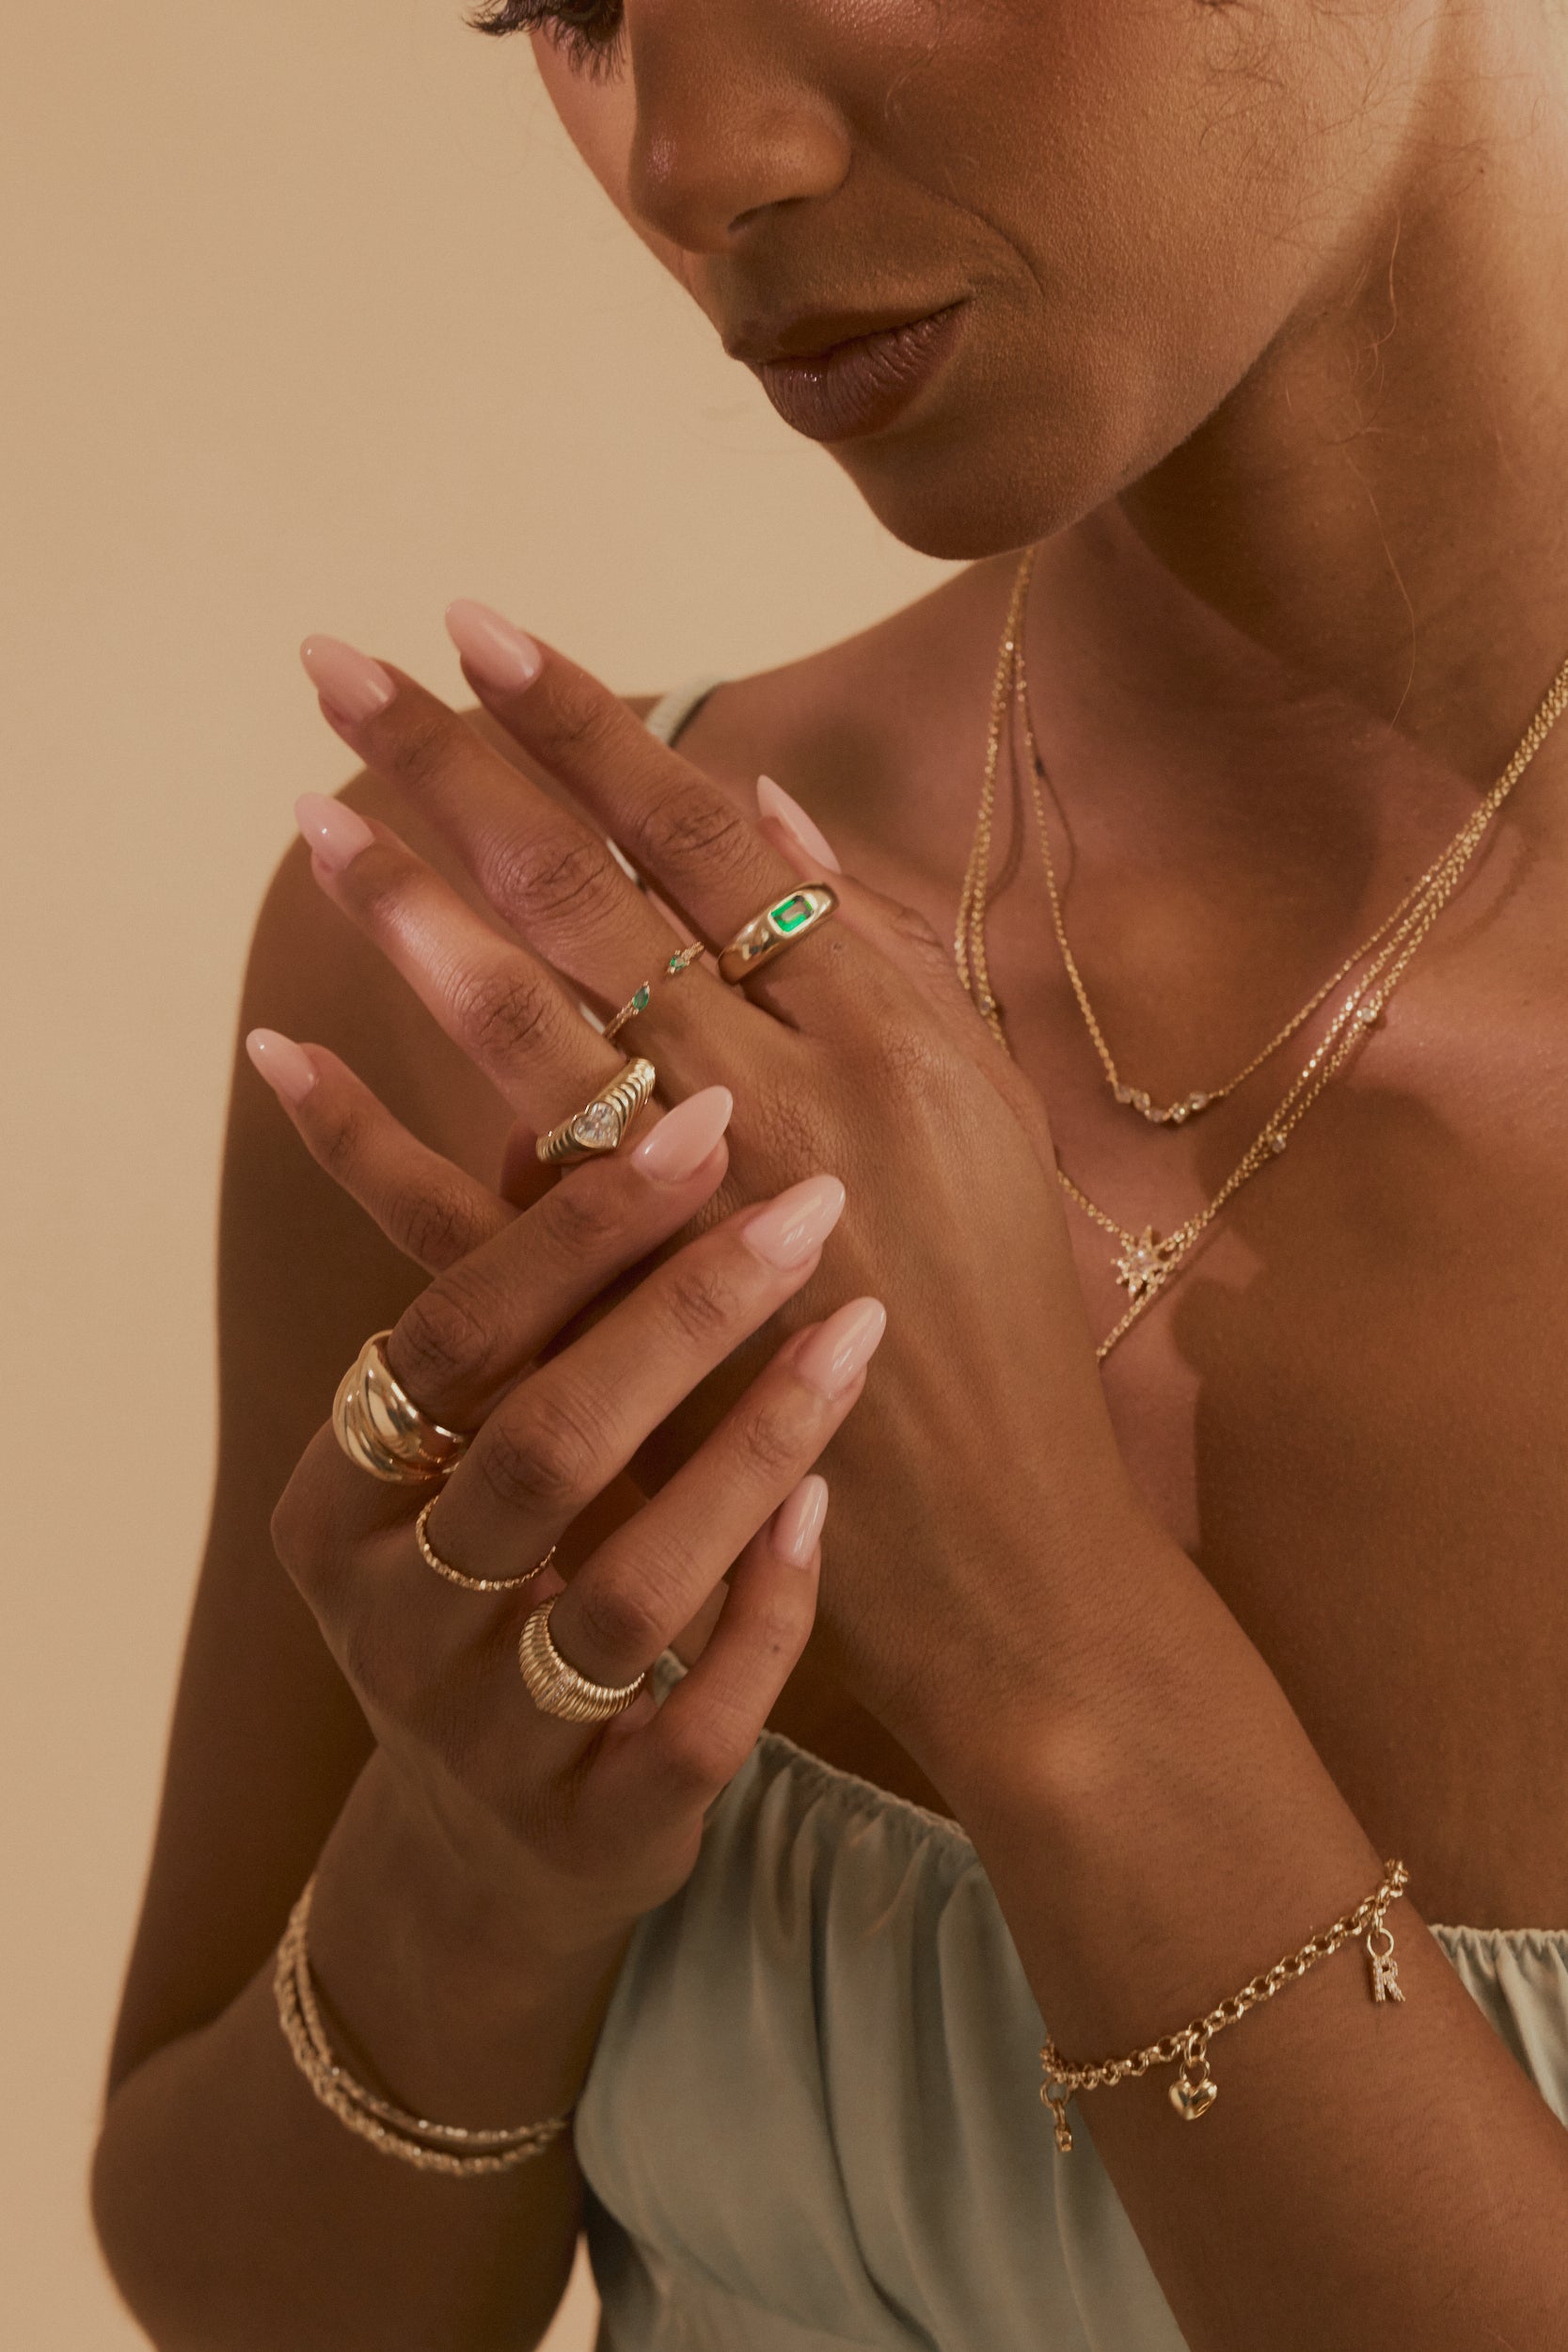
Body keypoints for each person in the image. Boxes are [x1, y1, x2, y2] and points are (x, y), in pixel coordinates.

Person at [92, 4, 1568, 2347]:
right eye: (569, 2)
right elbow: (240, 2284)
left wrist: (1042, 1638)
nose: (690, 159)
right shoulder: (528, 987)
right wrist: (477, 1869)